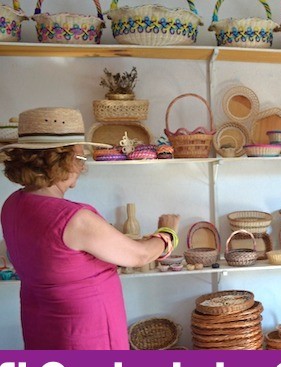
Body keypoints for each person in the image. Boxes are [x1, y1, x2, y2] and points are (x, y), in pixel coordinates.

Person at [0, 107, 180, 350]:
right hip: (86, 336)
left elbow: (59, 260)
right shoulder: (73, 219)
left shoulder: (12, 205)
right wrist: (167, 233)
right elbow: (139, 256)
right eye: (80, 158)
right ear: (63, 161)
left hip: (41, 328)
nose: (81, 167)